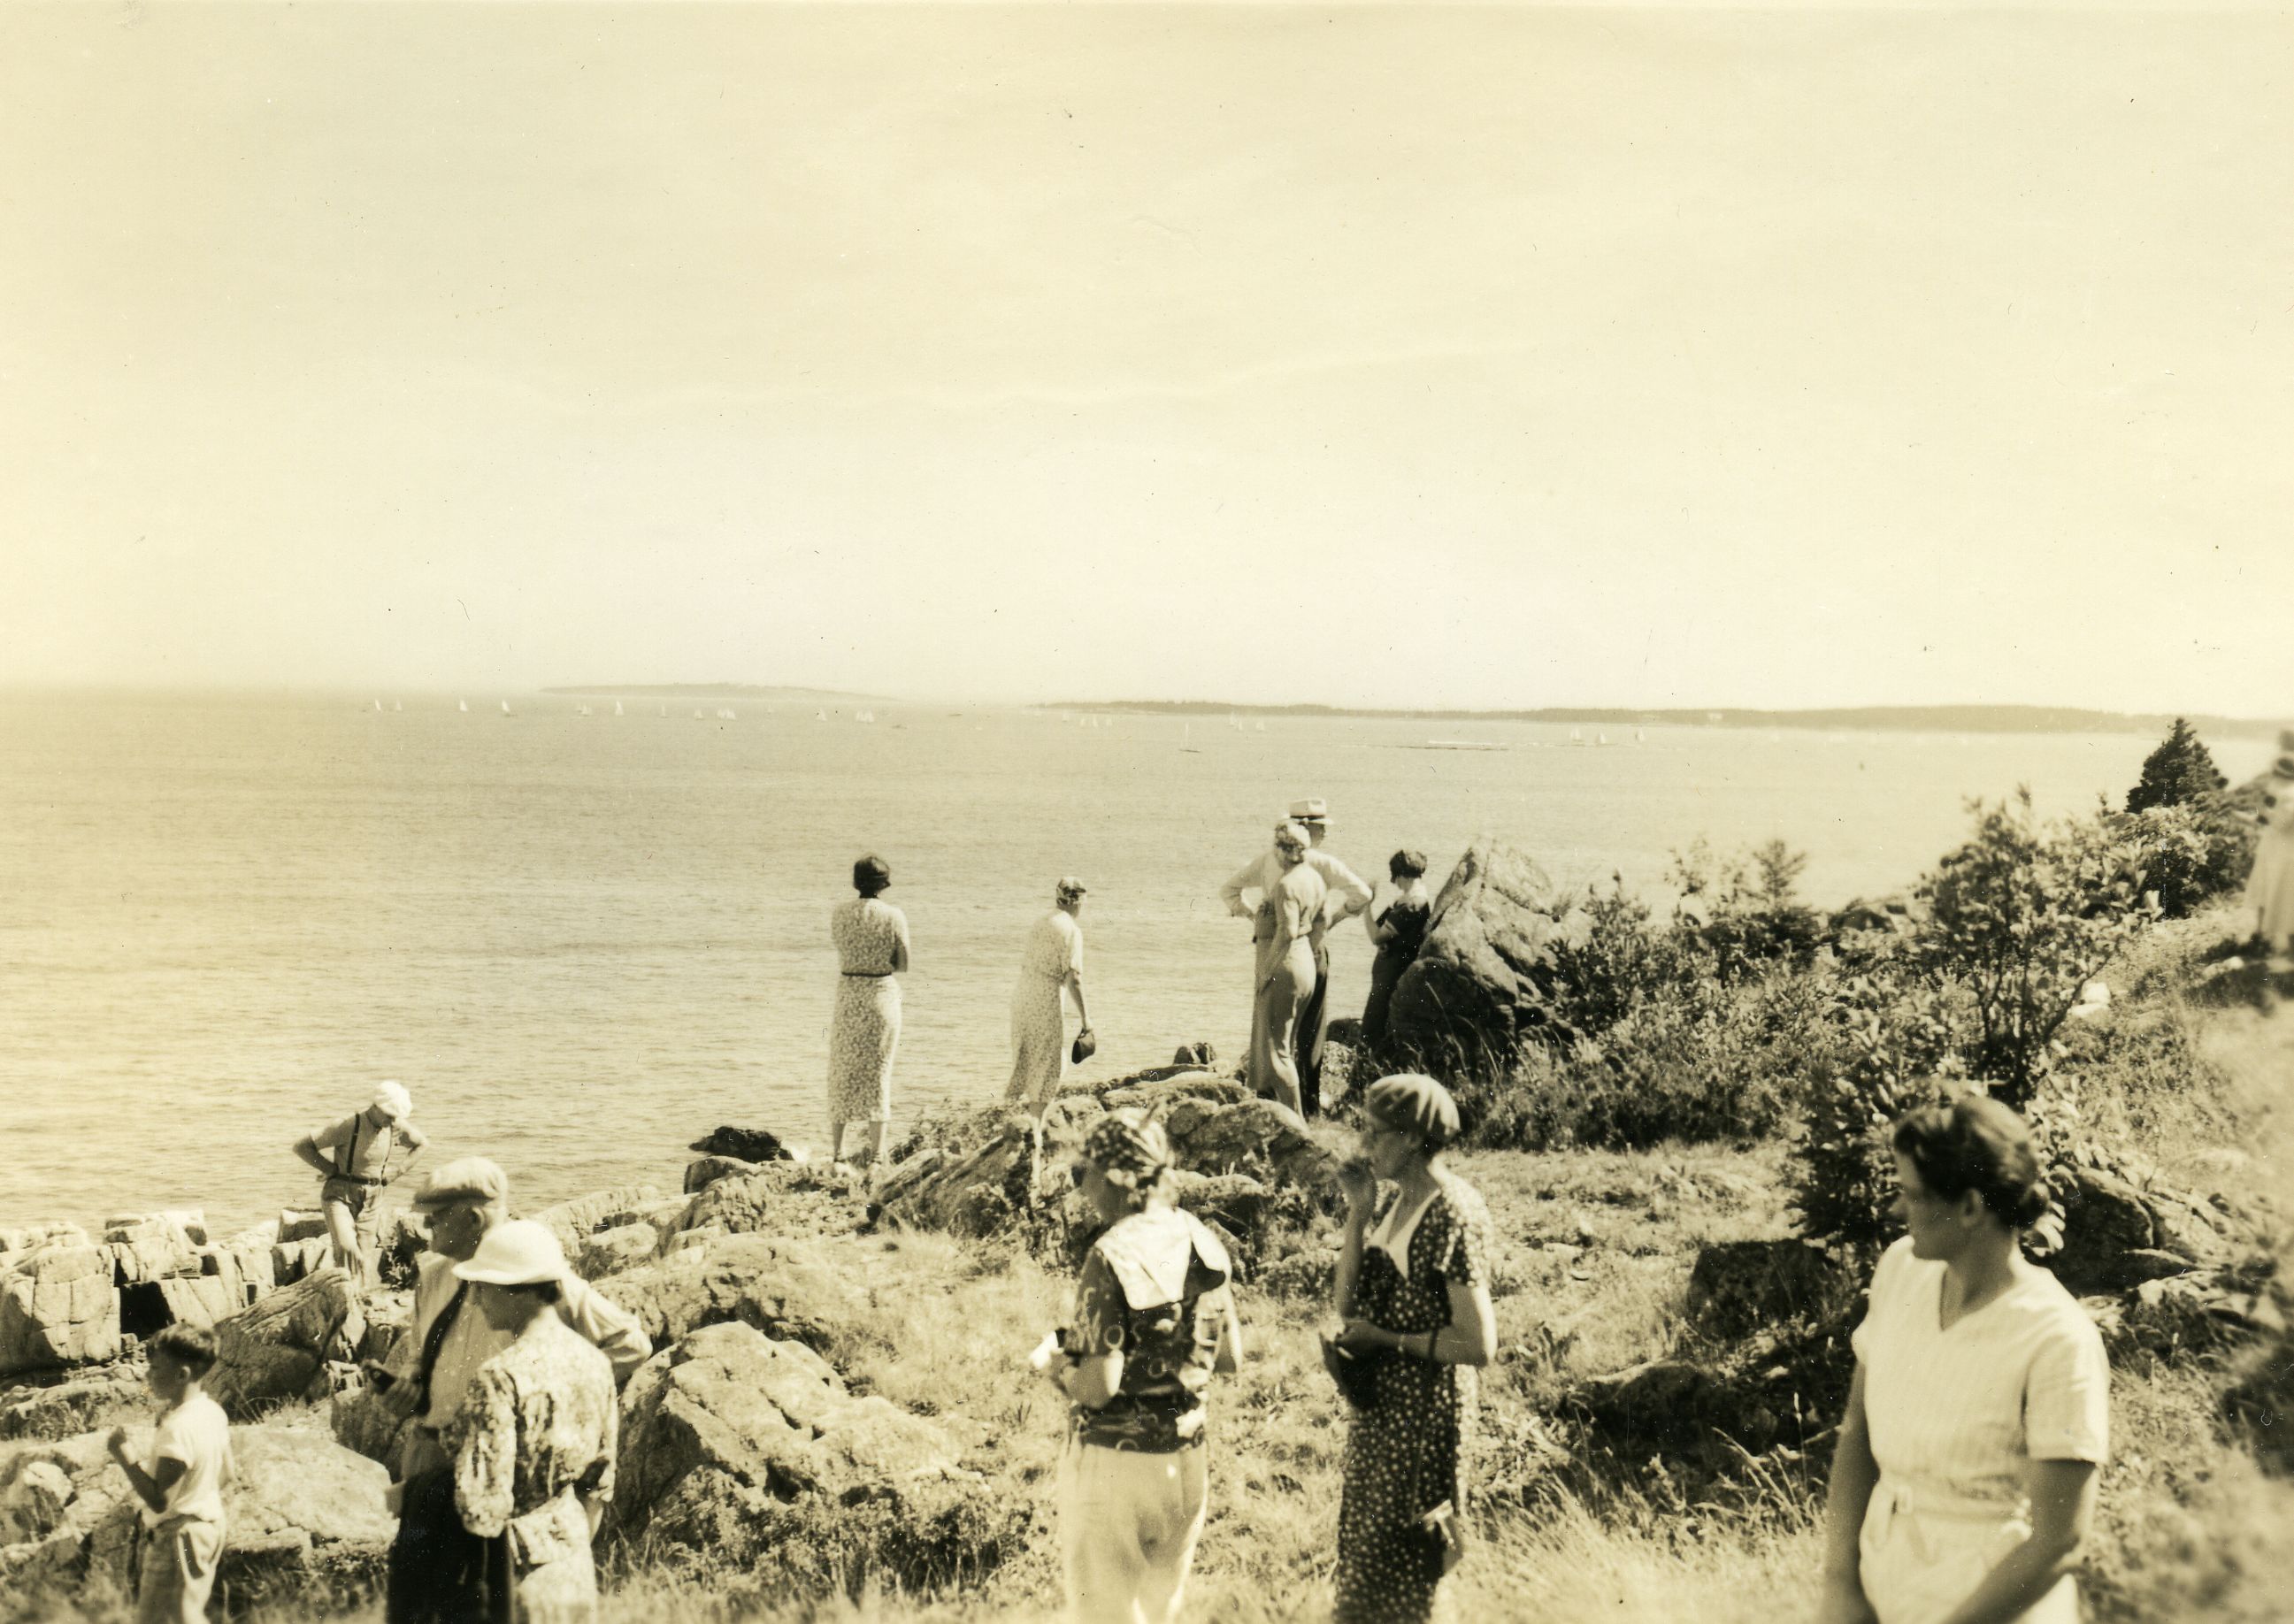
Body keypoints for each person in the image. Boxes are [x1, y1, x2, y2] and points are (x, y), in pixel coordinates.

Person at [1815, 1096, 2109, 1624]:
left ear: (1972, 1208)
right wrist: (1841, 1586)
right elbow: (1857, 1431)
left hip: (1993, 1605)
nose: (1897, 1211)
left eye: (1914, 1195)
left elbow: (2059, 1540)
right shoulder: (1901, 1271)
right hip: (1886, 1587)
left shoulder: (2057, 1338)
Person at [379, 1158, 650, 1624]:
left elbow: (630, 1344)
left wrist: (546, 1393)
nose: (425, 1228)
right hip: (430, 1451)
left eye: (435, 1217)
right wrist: (410, 1381)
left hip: (496, 1475)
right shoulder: (434, 1277)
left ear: (472, 1218)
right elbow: (420, 1351)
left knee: (471, 1598)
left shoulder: (540, 1279)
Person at [1043, 1109, 1243, 1624]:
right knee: (1160, 1613)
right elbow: (1229, 1357)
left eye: (1082, 1172)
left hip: (1116, 1468)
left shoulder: (1109, 1254)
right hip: (1188, 1460)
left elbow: (1098, 1387)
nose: (1081, 1188)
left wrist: (1056, 1366)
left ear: (1115, 1177)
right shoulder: (1200, 1238)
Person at [1331, 1074, 1497, 1624]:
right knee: (1367, 1558)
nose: (1364, 1144)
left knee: (1410, 1566)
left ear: (1411, 1137)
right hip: (1384, 1413)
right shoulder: (1399, 1201)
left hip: (1424, 1420)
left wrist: (1385, 1340)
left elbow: (1478, 1343)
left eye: (1375, 1132)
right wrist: (1359, 1213)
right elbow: (1346, 1305)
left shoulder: (1453, 1211)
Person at [447, 1221, 618, 1624]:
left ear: (519, 1290)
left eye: (483, 1286)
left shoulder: (500, 1375)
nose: (475, 1299)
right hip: (573, 1560)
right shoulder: (594, 1361)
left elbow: (482, 1507)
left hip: (515, 1571)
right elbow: (600, 1479)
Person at [1218, 801, 1371, 1116]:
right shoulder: (1321, 866)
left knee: (1272, 1033)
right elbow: (1362, 895)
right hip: (1309, 952)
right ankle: (1307, 1105)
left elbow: (1230, 890)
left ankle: (1272, 1101)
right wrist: (1336, 919)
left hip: (1275, 953)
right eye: (1320, 826)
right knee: (1310, 1032)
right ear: (1304, 827)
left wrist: (1254, 917)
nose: (1324, 832)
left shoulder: (1268, 862)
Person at [107, 1323, 234, 1624]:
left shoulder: (179, 1428)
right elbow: (228, 1473)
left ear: (181, 1375)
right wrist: (196, 1495)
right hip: (207, 1527)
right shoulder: (212, 1412)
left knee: (177, 1618)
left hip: (179, 1536)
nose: (148, 1375)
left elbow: (160, 1501)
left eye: (154, 1367)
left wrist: (124, 1455)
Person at [293, 1081, 427, 1288]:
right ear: (376, 1106)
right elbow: (302, 1146)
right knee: (347, 1248)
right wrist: (329, 1168)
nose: (393, 1121)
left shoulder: (394, 1126)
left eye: (396, 1117)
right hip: (339, 1196)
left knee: (364, 1257)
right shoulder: (348, 1125)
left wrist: (397, 1171)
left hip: (372, 1200)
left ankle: (356, 1297)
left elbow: (422, 1144)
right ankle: (345, 1295)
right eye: (389, 1115)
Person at [828, 853, 912, 1184]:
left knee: (842, 1070)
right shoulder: (894, 915)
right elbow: (903, 963)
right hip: (880, 994)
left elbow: (842, 948)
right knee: (879, 1071)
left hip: (849, 993)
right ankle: (877, 1157)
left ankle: (838, 1154)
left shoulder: (839, 913)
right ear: (884, 884)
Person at [1244, 822, 1326, 1115]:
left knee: (1277, 1053)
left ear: (1283, 850)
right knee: (1286, 1047)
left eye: (1276, 846)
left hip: (1285, 968)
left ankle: (1296, 1124)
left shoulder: (1286, 885)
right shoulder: (1315, 879)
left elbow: (1287, 931)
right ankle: (1288, 1115)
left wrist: (1266, 971)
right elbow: (1322, 922)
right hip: (1305, 964)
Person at [1007, 877, 1095, 1144]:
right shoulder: (1071, 930)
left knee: (1027, 1059)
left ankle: (1017, 1123)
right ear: (1078, 901)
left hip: (1023, 994)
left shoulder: (1042, 921)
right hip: (1045, 997)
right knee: (1048, 1064)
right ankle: (1035, 1132)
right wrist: (1086, 1020)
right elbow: (1073, 978)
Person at [1362, 850, 1433, 1050]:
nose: (1394, 883)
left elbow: (1376, 936)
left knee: (1374, 1023)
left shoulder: (1411, 903)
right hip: (1389, 969)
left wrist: (1366, 907)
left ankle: (1367, 1062)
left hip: (1392, 972)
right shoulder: (1408, 899)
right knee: (1376, 1020)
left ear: (1402, 875)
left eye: (1395, 877)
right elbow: (1381, 930)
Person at [2242, 732, 2294, 954]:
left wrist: (2261, 815)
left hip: (2284, 850)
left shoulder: (2290, 795)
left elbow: (2281, 823)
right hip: (2274, 847)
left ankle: (2273, 939)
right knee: (2267, 889)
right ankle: (2262, 933)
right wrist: (2260, 815)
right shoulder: (2284, 792)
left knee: (2278, 891)